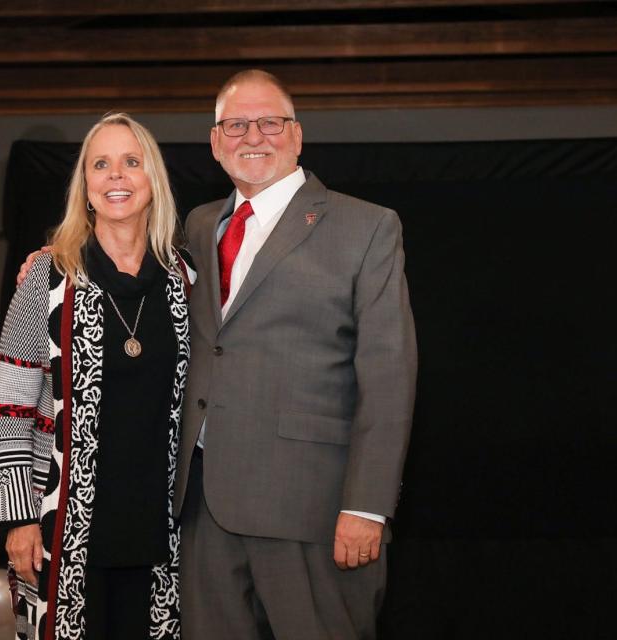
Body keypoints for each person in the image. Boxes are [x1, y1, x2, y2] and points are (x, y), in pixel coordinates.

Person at [173, 70, 417, 639]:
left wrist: (368, 507)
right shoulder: (200, 223)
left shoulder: (367, 226)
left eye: (269, 122)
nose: (252, 135)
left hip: (313, 506)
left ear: (297, 135)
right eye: (235, 124)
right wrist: (59, 261)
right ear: (215, 141)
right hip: (202, 507)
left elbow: (389, 375)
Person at [0, 112, 193, 640]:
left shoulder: (188, 279)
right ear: (85, 186)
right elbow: (10, 406)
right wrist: (18, 517)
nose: (116, 176)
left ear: (153, 180)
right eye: (100, 164)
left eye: (131, 162)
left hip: (163, 529)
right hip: (61, 527)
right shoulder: (46, 274)